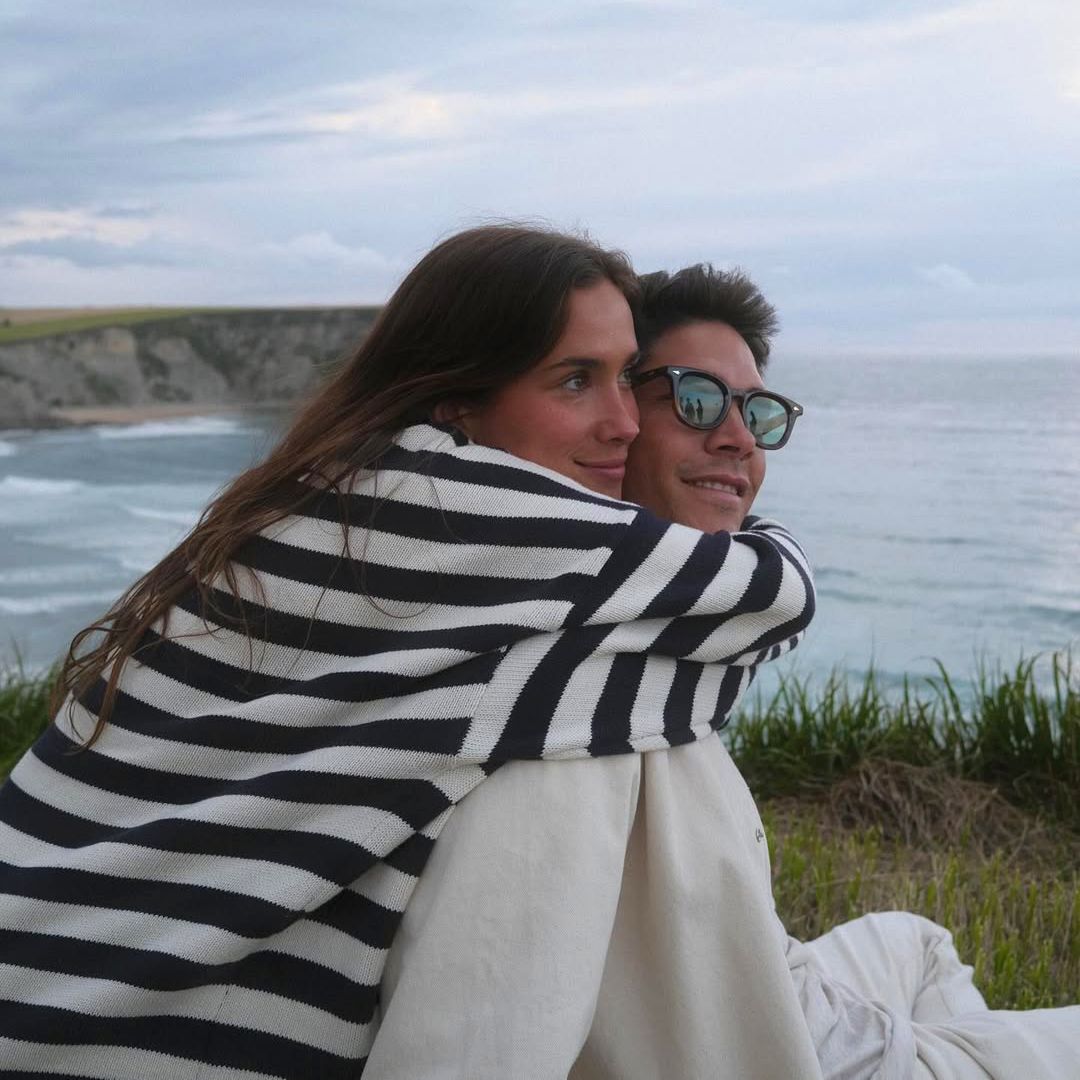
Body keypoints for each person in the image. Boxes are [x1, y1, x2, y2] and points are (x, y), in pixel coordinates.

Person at [0, 227, 815, 1079]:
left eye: (621, 379)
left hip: (46, 979)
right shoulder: (468, 518)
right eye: (577, 381)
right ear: (455, 399)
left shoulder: (326, 501)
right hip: (133, 1038)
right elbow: (769, 593)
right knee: (608, 751)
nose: (619, 425)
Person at [371, 263, 1080, 1080]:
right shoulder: (567, 715)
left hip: (797, 997)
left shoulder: (659, 652)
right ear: (623, 422)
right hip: (815, 1059)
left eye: (758, 411)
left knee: (918, 942)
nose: (739, 438)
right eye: (696, 400)